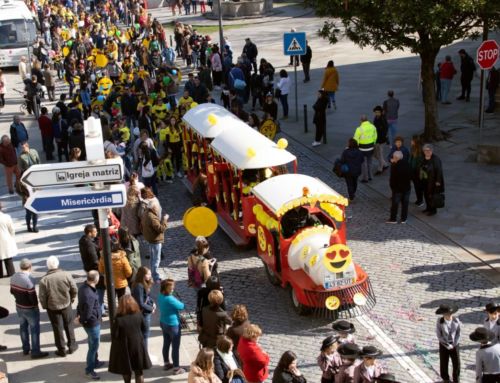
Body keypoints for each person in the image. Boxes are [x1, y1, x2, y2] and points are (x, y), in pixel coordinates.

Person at [38, 255, 78, 357]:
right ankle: (72, 346)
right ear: (58, 264)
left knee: (57, 328)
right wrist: (72, 299)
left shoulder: (44, 280)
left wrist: (45, 306)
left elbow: (42, 296)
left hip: (52, 307)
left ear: (47, 266)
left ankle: (61, 349)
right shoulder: (66, 275)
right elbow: (74, 289)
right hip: (66, 304)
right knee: (69, 325)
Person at [9, 258, 49, 359]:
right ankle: (35, 351)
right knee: (34, 329)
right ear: (30, 267)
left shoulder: (14, 276)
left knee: (23, 328)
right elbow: (33, 297)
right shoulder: (29, 279)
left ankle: (25, 349)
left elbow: (12, 291)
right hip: (30, 309)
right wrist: (35, 305)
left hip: (19, 306)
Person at [108, 295, 152, 383]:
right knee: (139, 372)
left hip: (124, 348)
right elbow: (145, 328)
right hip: (137, 345)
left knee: (126, 370)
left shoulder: (118, 319)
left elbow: (115, 335)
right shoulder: (139, 315)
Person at [77, 270, 102, 380]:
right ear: (96, 279)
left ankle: (95, 362)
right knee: (93, 346)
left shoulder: (83, 288)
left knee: (91, 343)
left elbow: (80, 304)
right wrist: (82, 320)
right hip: (92, 324)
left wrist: (78, 315)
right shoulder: (90, 294)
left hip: (90, 322)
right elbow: (87, 312)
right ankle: (89, 370)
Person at [158, 278, 186, 374]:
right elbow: (182, 306)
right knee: (175, 347)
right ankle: (176, 368)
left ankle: (166, 363)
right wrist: (174, 298)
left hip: (163, 322)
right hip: (173, 325)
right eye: (171, 288)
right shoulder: (170, 299)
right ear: (165, 288)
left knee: (166, 343)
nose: (172, 290)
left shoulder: (160, 295)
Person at [79, 224, 106, 315]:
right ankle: (100, 307)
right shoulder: (89, 244)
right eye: (95, 232)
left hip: (88, 267)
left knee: (95, 287)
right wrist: (102, 267)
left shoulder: (83, 240)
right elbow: (95, 260)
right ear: (90, 233)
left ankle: (100, 305)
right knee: (100, 288)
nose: (97, 233)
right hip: (94, 269)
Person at [141, 201, 169, 283]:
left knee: (152, 258)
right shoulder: (152, 217)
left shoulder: (146, 213)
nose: (158, 208)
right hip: (155, 240)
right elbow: (161, 229)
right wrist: (165, 220)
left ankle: (152, 274)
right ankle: (155, 276)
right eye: (157, 207)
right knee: (156, 259)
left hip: (150, 239)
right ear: (153, 208)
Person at [435, 303, 461, 383]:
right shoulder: (440, 321)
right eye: (446, 314)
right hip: (444, 345)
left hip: (454, 345)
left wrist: (454, 344)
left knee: (456, 363)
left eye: (450, 314)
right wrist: (446, 344)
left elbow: (458, 334)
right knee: (444, 362)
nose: (448, 316)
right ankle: (445, 378)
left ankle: (456, 379)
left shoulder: (456, 321)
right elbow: (439, 335)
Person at [131, 266, 155, 349]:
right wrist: (151, 309)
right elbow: (140, 303)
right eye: (148, 274)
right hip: (143, 314)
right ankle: (144, 355)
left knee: (145, 334)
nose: (150, 276)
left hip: (145, 312)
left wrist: (152, 303)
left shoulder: (144, 283)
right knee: (145, 335)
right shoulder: (139, 286)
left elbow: (147, 297)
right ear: (142, 275)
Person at [387, 151, 411, 224]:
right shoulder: (408, 164)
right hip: (407, 188)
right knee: (405, 204)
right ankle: (404, 219)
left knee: (395, 204)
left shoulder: (395, 166)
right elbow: (412, 175)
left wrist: (393, 188)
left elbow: (392, 179)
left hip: (397, 189)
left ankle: (393, 219)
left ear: (396, 158)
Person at [420, 144, 444, 216]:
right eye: (425, 150)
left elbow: (439, 171)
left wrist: (438, 181)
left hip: (433, 181)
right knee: (426, 195)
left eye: (428, 150)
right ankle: (428, 208)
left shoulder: (436, 159)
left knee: (432, 195)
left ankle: (433, 210)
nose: (427, 151)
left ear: (431, 151)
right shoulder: (423, 158)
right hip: (425, 180)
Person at [353, 115, 377, 183]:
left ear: (361, 121)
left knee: (363, 164)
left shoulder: (359, 129)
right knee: (370, 162)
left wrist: (356, 147)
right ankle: (370, 176)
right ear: (367, 120)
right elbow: (375, 136)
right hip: (371, 147)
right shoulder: (372, 126)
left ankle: (365, 178)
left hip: (362, 149)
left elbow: (355, 139)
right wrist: (373, 143)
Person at [0, 202, 16, 278]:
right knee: (8, 257)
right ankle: (11, 273)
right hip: (6, 239)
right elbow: (12, 230)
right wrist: (11, 237)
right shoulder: (6, 217)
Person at [372, 106, 389, 175]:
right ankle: (384, 164)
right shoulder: (376, 118)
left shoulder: (382, 119)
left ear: (381, 112)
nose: (376, 113)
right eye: (375, 112)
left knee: (379, 154)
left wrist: (379, 140)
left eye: (378, 112)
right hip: (376, 139)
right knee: (375, 154)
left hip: (380, 140)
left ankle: (380, 168)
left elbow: (384, 131)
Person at [409, 135, 424, 207]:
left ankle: (420, 200)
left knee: (418, 186)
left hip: (417, 171)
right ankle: (419, 199)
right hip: (413, 171)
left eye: (412, 140)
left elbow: (419, 162)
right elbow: (410, 159)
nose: (411, 141)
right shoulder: (413, 148)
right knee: (416, 186)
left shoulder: (419, 151)